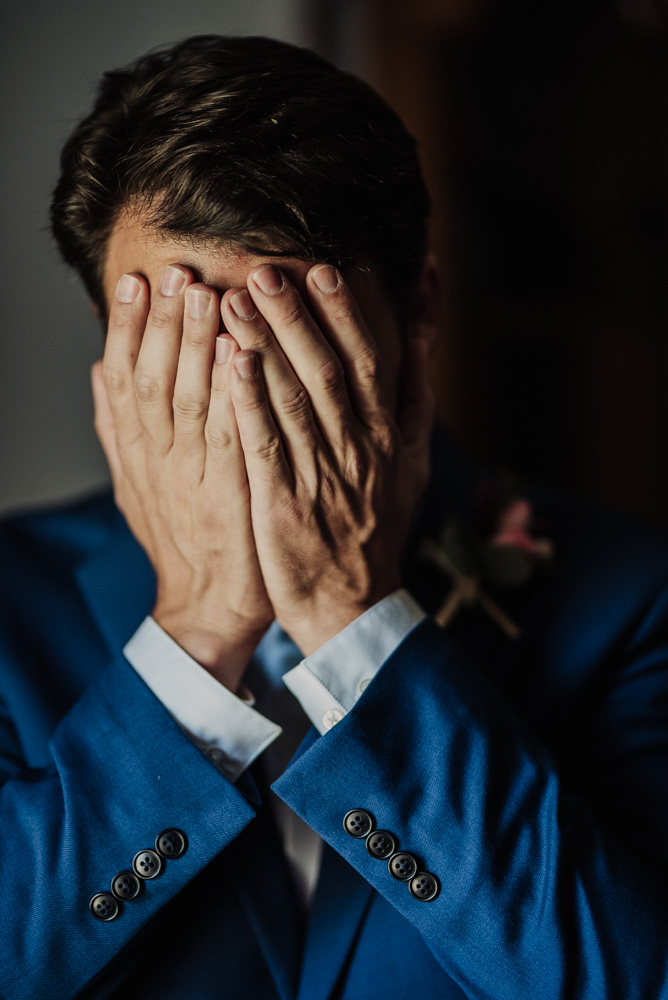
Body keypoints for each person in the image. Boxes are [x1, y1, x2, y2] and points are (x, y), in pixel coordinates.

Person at [1, 33, 667, 1000]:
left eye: (285, 345)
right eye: (178, 346)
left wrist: (353, 613)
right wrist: (194, 631)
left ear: (417, 316)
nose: (237, 402)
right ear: (112, 356)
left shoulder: (632, 599)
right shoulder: (12, 602)